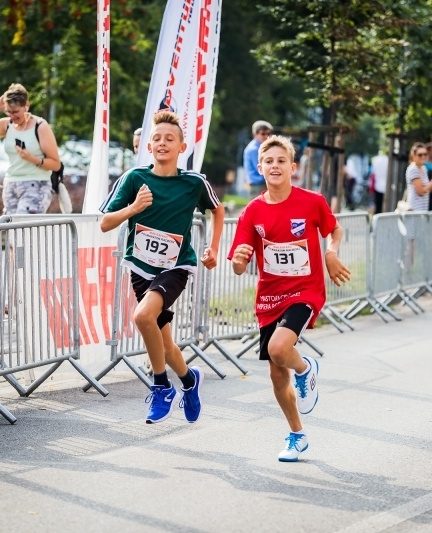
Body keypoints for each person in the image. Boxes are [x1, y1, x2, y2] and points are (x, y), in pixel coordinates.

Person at [229, 135, 351, 462]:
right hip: (269, 297)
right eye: (268, 161)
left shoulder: (312, 202)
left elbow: (335, 229)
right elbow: (239, 265)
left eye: (281, 161)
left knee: (280, 348)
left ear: (292, 167)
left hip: (305, 291)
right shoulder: (252, 211)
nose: (275, 166)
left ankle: (306, 368)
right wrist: (239, 260)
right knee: (276, 373)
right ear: (260, 168)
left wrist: (331, 252)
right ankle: (297, 434)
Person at [99, 111, 224, 424]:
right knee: (166, 346)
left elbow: (217, 210)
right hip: (141, 268)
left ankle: (161, 387)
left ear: (182, 147)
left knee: (142, 317)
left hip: (176, 267)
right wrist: (134, 208)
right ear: (148, 146)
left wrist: (213, 248)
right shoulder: (134, 178)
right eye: (156, 138)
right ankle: (190, 381)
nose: (162, 143)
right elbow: (104, 223)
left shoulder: (193, 182)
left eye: (169, 138)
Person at [0, 83, 61, 215]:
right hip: (11, 184)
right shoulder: (7, 125)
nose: (12, 116)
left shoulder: (40, 126)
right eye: (8, 112)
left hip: (36, 185)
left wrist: (31, 159)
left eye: (16, 112)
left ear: (26, 105)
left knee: (23, 226)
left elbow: (56, 164)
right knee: (10, 227)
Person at [405, 142, 432, 212]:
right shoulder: (413, 169)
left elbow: (429, 190)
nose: (423, 157)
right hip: (414, 210)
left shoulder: (424, 168)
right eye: (420, 155)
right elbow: (421, 191)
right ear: (413, 156)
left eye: (425, 154)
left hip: (423, 209)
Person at [243, 120, 272, 198]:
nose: (266, 136)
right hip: (258, 185)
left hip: (261, 184)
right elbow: (261, 169)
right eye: (263, 134)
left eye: (268, 134)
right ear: (255, 134)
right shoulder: (254, 149)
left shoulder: (261, 147)